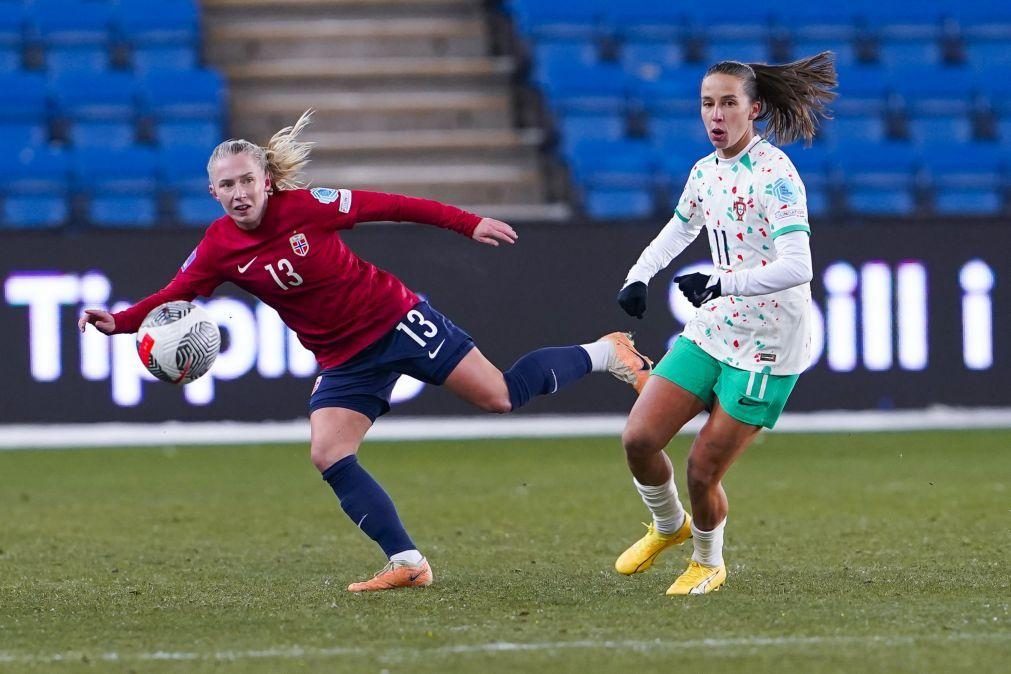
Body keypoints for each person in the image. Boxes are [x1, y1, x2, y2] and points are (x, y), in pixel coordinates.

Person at [79, 110, 652, 592]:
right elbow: (176, 294)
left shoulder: (305, 207)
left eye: (246, 181)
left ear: (266, 181)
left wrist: (467, 222)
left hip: (397, 320)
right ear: (212, 192)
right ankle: (407, 562)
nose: (238, 194)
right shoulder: (218, 247)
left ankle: (604, 352)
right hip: (343, 359)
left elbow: (391, 205)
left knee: (499, 397)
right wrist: (122, 321)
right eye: (226, 186)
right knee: (328, 453)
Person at [612, 53, 837, 595]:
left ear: (754, 110)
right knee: (639, 438)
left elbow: (798, 265)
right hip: (716, 327)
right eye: (707, 104)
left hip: (767, 345)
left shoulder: (776, 174)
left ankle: (709, 560)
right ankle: (669, 526)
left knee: (701, 470)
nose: (716, 115)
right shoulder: (705, 170)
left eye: (728, 103)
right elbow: (679, 226)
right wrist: (639, 275)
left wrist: (723, 282)